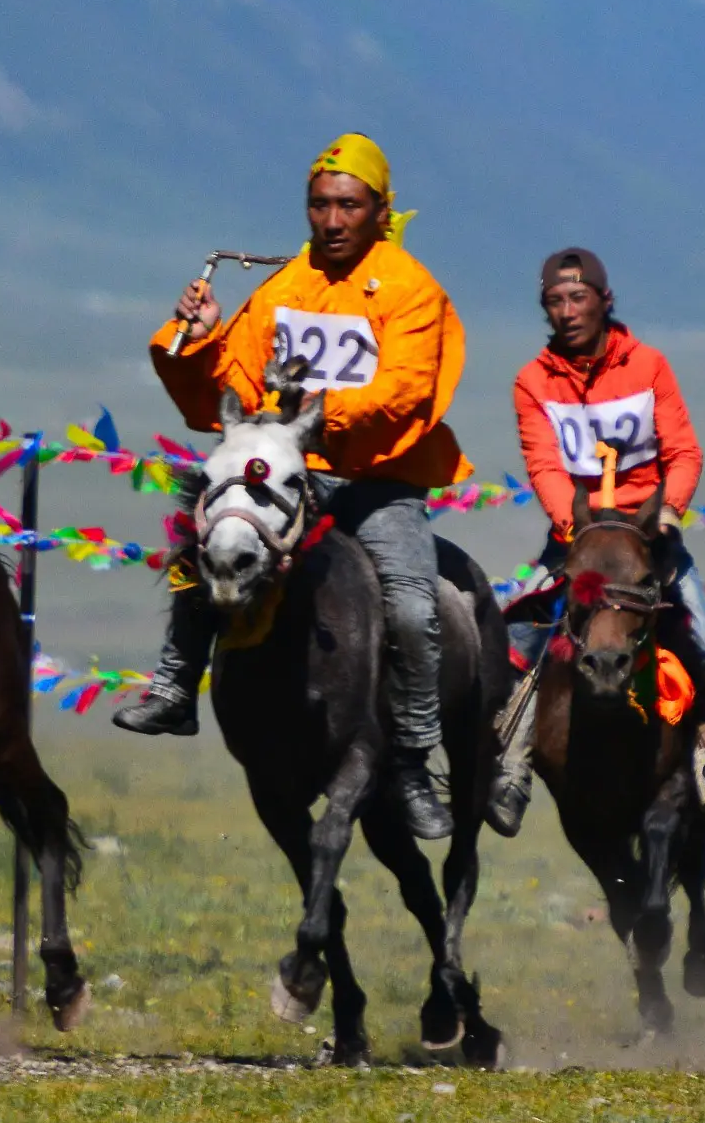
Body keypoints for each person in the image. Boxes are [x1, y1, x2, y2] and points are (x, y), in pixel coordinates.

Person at [112, 133, 469, 840]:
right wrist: (197, 339)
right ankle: (176, 686)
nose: (332, 220)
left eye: (348, 205)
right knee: (210, 541)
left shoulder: (412, 290)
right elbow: (230, 387)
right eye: (319, 205)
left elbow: (403, 392)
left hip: (376, 477)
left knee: (407, 606)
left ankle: (411, 762)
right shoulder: (285, 285)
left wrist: (309, 417)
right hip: (282, 464)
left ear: (378, 209)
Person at [487, 247, 705, 835]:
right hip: (577, 538)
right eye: (554, 301)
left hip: (647, 536)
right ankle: (510, 764)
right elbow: (544, 466)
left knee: (700, 634)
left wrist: (670, 513)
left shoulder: (648, 365)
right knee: (520, 635)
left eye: (578, 298)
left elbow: (683, 451)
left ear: (605, 301)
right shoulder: (532, 382)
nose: (567, 310)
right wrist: (574, 528)